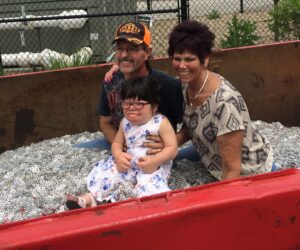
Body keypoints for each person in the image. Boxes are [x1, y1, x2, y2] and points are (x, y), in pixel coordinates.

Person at [168, 20, 275, 180]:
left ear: (205, 59)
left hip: (245, 169)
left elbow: (232, 170)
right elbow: (193, 122)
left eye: (189, 59)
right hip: (209, 150)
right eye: (177, 58)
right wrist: (173, 141)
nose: (182, 65)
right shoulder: (186, 84)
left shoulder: (224, 105)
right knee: (168, 156)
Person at [74, 21, 190, 157]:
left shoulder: (168, 85)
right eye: (119, 48)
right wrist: (120, 148)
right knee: (73, 153)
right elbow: (105, 122)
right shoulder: (111, 81)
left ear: (148, 52)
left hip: (156, 153)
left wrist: (172, 142)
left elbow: (190, 125)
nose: (123, 55)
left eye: (133, 48)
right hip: (120, 144)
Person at [66, 76, 178, 209]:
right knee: (109, 175)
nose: (132, 108)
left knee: (150, 186)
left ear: (154, 107)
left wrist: (156, 161)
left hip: (151, 166)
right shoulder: (125, 122)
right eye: (127, 103)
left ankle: (142, 208)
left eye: (139, 104)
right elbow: (117, 143)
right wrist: (118, 156)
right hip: (127, 164)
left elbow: (173, 148)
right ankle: (89, 199)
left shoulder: (160, 122)